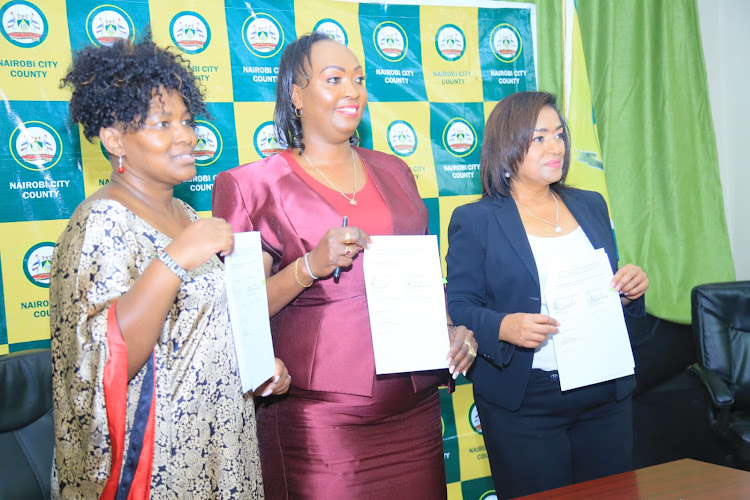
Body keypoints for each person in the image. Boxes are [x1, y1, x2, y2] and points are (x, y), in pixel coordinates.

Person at [212, 32, 477, 499]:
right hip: (319, 418)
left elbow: (419, 280)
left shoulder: (395, 170)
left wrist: (452, 328)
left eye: (358, 79)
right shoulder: (251, 185)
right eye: (334, 79)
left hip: (412, 407)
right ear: (296, 94)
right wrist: (309, 265)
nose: (352, 91)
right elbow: (239, 311)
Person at [50, 36, 290, 499]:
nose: (186, 135)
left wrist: (256, 366)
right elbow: (101, 360)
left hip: (222, 447)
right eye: (163, 124)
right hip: (159, 466)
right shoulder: (101, 222)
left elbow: (196, 330)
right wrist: (175, 258)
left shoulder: (189, 216)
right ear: (115, 139)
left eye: (187, 120)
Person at [445, 91, 649, 499]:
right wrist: (504, 326)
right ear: (508, 144)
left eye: (559, 135)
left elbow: (603, 291)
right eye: (539, 138)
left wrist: (627, 292)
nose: (555, 146)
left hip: (604, 391)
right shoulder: (476, 219)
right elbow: (459, 306)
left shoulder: (589, 204)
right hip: (526, 403)